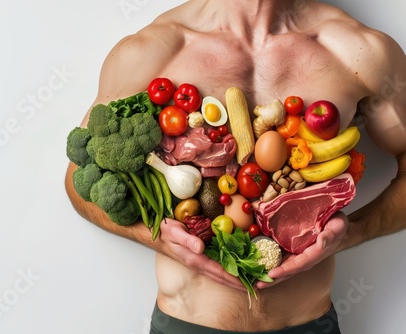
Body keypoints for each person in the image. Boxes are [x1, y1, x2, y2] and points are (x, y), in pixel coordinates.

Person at [65, 0, 406, 333]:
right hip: (187, 324)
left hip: (307, 323)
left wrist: (352, 234)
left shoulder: (360, 51)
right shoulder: (153, 49)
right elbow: (77, 182)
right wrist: (157, 239)